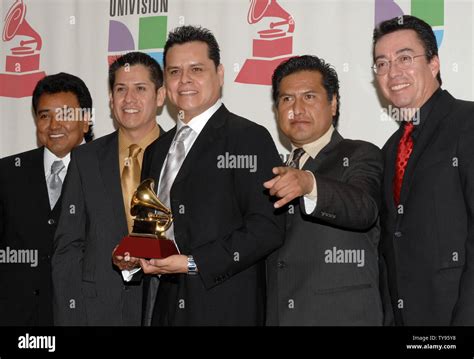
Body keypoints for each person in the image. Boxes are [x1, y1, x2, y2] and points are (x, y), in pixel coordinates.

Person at [114, 25, 285, 326]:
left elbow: (266, 228)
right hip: (165, 309)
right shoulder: (157, 149)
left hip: (226, 309)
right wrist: (133, 260)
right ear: (165, 81)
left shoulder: (247, 138)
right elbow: (154, 230)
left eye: (196, 69)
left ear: (219, 74)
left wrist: (192, 264)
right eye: (175, 71)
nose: (185, 81)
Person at [264, 55, 384, 326]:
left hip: (341, 316)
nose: (296, 108)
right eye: (286, 99)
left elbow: (364, 208)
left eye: (309, 97)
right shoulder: (269, 170)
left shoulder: (360, 154)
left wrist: (309, 183)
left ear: (333, 104)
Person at [52, 52, 166, 325]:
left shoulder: (180, 155)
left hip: (164, 305)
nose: (129, 99)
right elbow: (67, 247)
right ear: (111, 99)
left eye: (140, 88)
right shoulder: (85, 159)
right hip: (97, 311)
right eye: (121, 89)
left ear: (160, 96)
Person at [373, 15, 474, 325]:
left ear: (434, 63)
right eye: (382, 64)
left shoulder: (467, 122)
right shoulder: (390, 148)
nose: (393, 72)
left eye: (405, 58)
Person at [0, 72, 93, 325]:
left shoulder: (110, 173)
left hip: (85, 316)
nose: (54, 126)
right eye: (44, 116)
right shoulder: (8, 173)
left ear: (85, 121)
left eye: (64, 115)